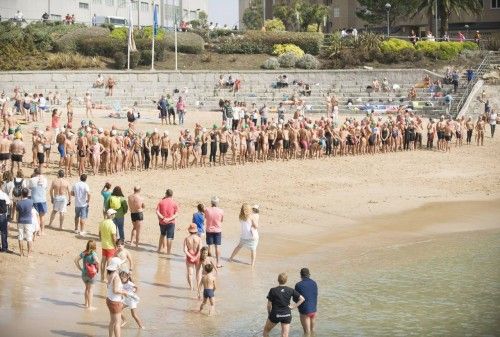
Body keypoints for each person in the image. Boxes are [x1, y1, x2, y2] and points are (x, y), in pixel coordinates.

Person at [263, 273, 305, 337]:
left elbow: (269, 305)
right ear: (286, 280)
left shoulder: (273, 290)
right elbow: (302, 299)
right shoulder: (290, 290)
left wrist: (269, 314)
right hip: (287, 314)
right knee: (285, 335)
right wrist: (293, 306)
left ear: (278, 280)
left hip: (275, 314)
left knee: (266, 331)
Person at [228, 203, 259, 267]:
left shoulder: (240, 216)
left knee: (238, 247)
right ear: (249, 210)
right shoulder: (251, 216)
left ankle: (231, 258)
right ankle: (252, 264)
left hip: (244, 236)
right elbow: (256, 226)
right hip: (252, 236)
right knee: (253, 250)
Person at [74, 240, 100, 309]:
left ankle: (86, 304)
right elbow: (97, 261)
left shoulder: (83, 253)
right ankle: (90, 306)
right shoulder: (94, 253)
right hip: (91, 274)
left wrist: (80, 268)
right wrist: (98, 269)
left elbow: (76, 260)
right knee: (91, 290)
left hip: (84, 274)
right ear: (94, 246)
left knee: (86, 288)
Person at [106, 256, 128, 337]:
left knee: (112, 321)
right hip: (115, 302)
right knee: (117, 323)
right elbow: (115, 290)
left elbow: (109, 286)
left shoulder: (109, 273)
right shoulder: (116, 276)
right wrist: (124, 292)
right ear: (118, 266)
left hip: (109, 300)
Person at [295, 268, 318, 335]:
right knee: (312, 331)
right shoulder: (314, 283)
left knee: (306, 332)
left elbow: (296, 298)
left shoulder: (298, 285)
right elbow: (315, 295)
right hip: (314, 310)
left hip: (305, 311)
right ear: (309, 275)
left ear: (301, 275)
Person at [156, 189, 178, 255]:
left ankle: (159, 249)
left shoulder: (161, 202)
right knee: (169, 237)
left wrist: (162, 217)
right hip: (171, 222)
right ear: (172, 195)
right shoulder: (174, 203)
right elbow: (176, 214)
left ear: (166, 194)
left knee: (162, 235)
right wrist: (169, 219)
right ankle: (168, 252)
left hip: (162, 222)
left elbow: (157, 211)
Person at [204, 196, 224, 267]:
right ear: (217, 203)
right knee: (217, 247)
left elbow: (206, 217)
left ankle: (209, 262)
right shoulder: (221, 211)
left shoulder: (207, 210)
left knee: (209, 246)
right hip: (217, 230)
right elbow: (221, 220)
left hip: (209, 229)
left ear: (211, 202)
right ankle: (218, 263)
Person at [100, 209, 118, 282]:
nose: (114, 215)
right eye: (114, 214)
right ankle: (108, 278)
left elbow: (99, 234)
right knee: (109, 263)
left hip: (103, 244)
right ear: (112, 215)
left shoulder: (102, 222)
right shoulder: (112, 224)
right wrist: (115, 246)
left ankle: (102, 278)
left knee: (103, 261)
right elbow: (114, 237)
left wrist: (103, 240)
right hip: (110, 246)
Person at [29, 168, 48, 235]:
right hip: (42, 199)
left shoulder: (31, 180)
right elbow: (45, 187)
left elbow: (30, 188)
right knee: (42, 216)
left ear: (34, 173)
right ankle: (42, 231)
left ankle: (38, 230)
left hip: (34, 200)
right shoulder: (45, 179)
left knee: (36, 216)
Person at [16, 188, 34, 257]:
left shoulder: (18, 203)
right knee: (29, 238)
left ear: (21, 194)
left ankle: (21, 253)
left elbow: (17, 215)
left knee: (20, 237)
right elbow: (32, 211)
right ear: (27, 194)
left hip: (20, 221)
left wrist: (17, 222)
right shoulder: (31, 202)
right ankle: (29, 254)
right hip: (28, 221)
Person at [184, 223, 202, 291]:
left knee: (190, 273)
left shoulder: (186, 238)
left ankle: (191, 287)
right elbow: (200, 249)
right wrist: (195, 257)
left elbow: (185, 250)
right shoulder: (199, 238)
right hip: (197, 257)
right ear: (196, 231)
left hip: (189, 257)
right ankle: (198, 288)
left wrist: (191, 256)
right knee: (198, 273)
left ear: (189, 231)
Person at [0, 185, 12, 253]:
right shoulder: (3, 194)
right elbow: (9, 203)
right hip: (2, 215)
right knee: (4, 232)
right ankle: (4, 248)